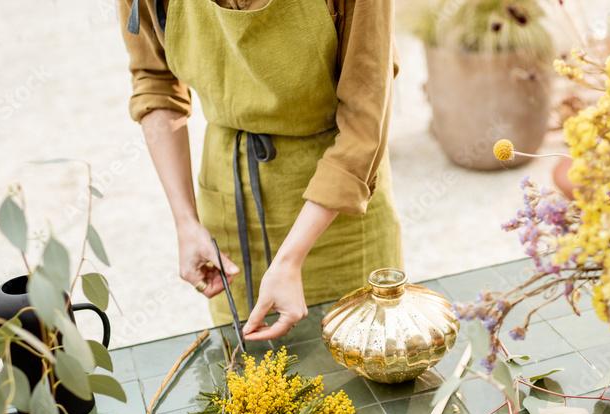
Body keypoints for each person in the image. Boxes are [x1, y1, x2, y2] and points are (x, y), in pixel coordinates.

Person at [118, 0, 404, 341]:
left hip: (339, 206)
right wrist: (185, 221)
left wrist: (290, 258)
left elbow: (365, 116)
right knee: (250, 376)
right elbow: (155, 83)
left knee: (361, 364)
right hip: (229, 204)